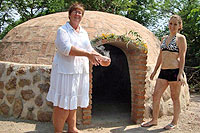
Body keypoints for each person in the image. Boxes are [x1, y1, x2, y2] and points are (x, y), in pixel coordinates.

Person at [46, 2, 111, 133]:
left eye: (80, 12)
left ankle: (72, 128)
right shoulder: (62, 31)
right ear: (69, 15)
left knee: (73, 100)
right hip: (65, 71)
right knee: (62, 104)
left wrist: (102, 58)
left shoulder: (83, 33)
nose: (77, 14)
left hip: (79, 72)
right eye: (75, 12)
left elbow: (89, 49)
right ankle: (58, 131)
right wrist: (88, 55)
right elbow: (66, 49)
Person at [141, 14, 187, 130]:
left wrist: (180, 73)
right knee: (156, 95)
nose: (172, 26)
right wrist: (155, 71)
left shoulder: (181, 38)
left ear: (179, 26)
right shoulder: (164, 38)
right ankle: (154, 120)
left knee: (175, 97)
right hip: (163, 71)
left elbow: (182, 57)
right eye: (171, 23)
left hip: (174, 71)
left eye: (175, 24)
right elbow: (160, 56)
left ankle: (174, 122)